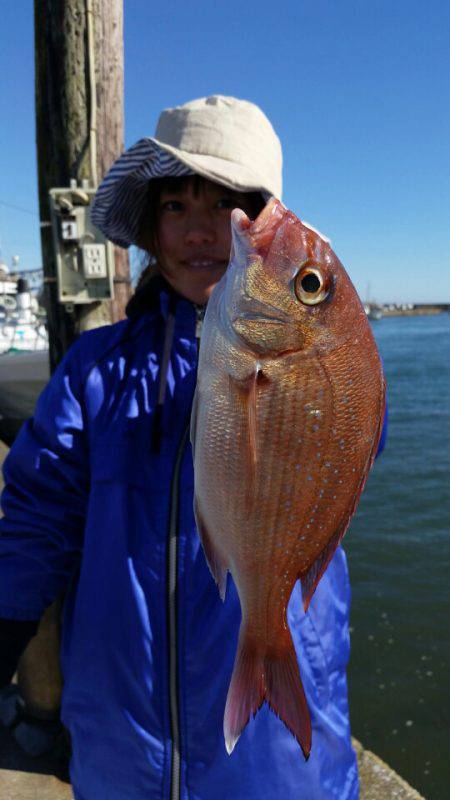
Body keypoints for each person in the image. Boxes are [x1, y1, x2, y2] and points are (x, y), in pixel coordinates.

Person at [0, 95, 384, 799]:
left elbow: (361, 439)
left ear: (256, 221)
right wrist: (7, 618)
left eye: (228, 205)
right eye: (176, 206)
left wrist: (325, 349)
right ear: (150, 228)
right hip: (121, 742)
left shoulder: (309, 355)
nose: (202, 230)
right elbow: (38, 513)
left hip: (275, 762)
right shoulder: (94, 370)